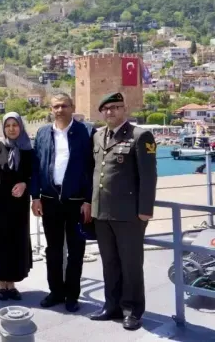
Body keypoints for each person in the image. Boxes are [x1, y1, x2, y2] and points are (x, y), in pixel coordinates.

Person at [89, 92, 157, 331]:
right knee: (109, 263)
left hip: (129, 215)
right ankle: (112, 306)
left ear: (124, 109)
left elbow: (148, 176)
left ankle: (132, 311)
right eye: (106, 109)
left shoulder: (140, 136)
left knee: (131, 265)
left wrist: (145, 210)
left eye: (116, 107)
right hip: (101, 213)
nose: (110, 112)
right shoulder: (98, 136)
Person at [31, 93, 94, 313]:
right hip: (49, 201)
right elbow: (35, 167)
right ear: (51, 109)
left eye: (64, 106)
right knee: (53, 250)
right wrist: (35, 196)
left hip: (77, 202)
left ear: (72, 107)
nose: (60, 110)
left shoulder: (87, 132)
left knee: (76, 251)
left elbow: (92, 168)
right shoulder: (42, 133)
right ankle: (56, 292)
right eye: (56, 106)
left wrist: (89, 200)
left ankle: (72, 296)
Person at [0, 112, 34, 300]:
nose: (11, 129)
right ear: (3, 128)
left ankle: (12, 284)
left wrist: (25, 184)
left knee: (16, 244)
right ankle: (1, 283)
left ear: (21, 126)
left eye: (15, 125)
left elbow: (33, 175)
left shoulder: (28, 150)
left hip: (19, 208)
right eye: (8, 125)